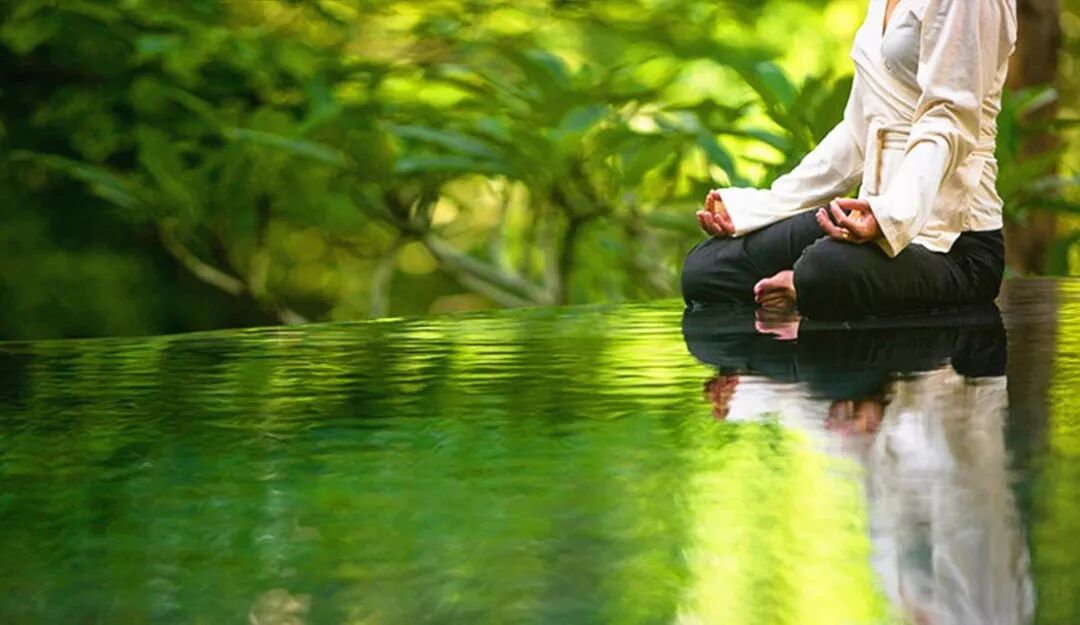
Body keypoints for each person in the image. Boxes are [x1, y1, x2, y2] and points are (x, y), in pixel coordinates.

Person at [681, 0, 1017, 320]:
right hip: (869, 218)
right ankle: (808, 291)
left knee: (823, 271)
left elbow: (950, 119)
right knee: (708, 269)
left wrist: (891, 216)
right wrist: (759, 209)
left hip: (955, 246)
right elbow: (858, 131)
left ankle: (807, 287)